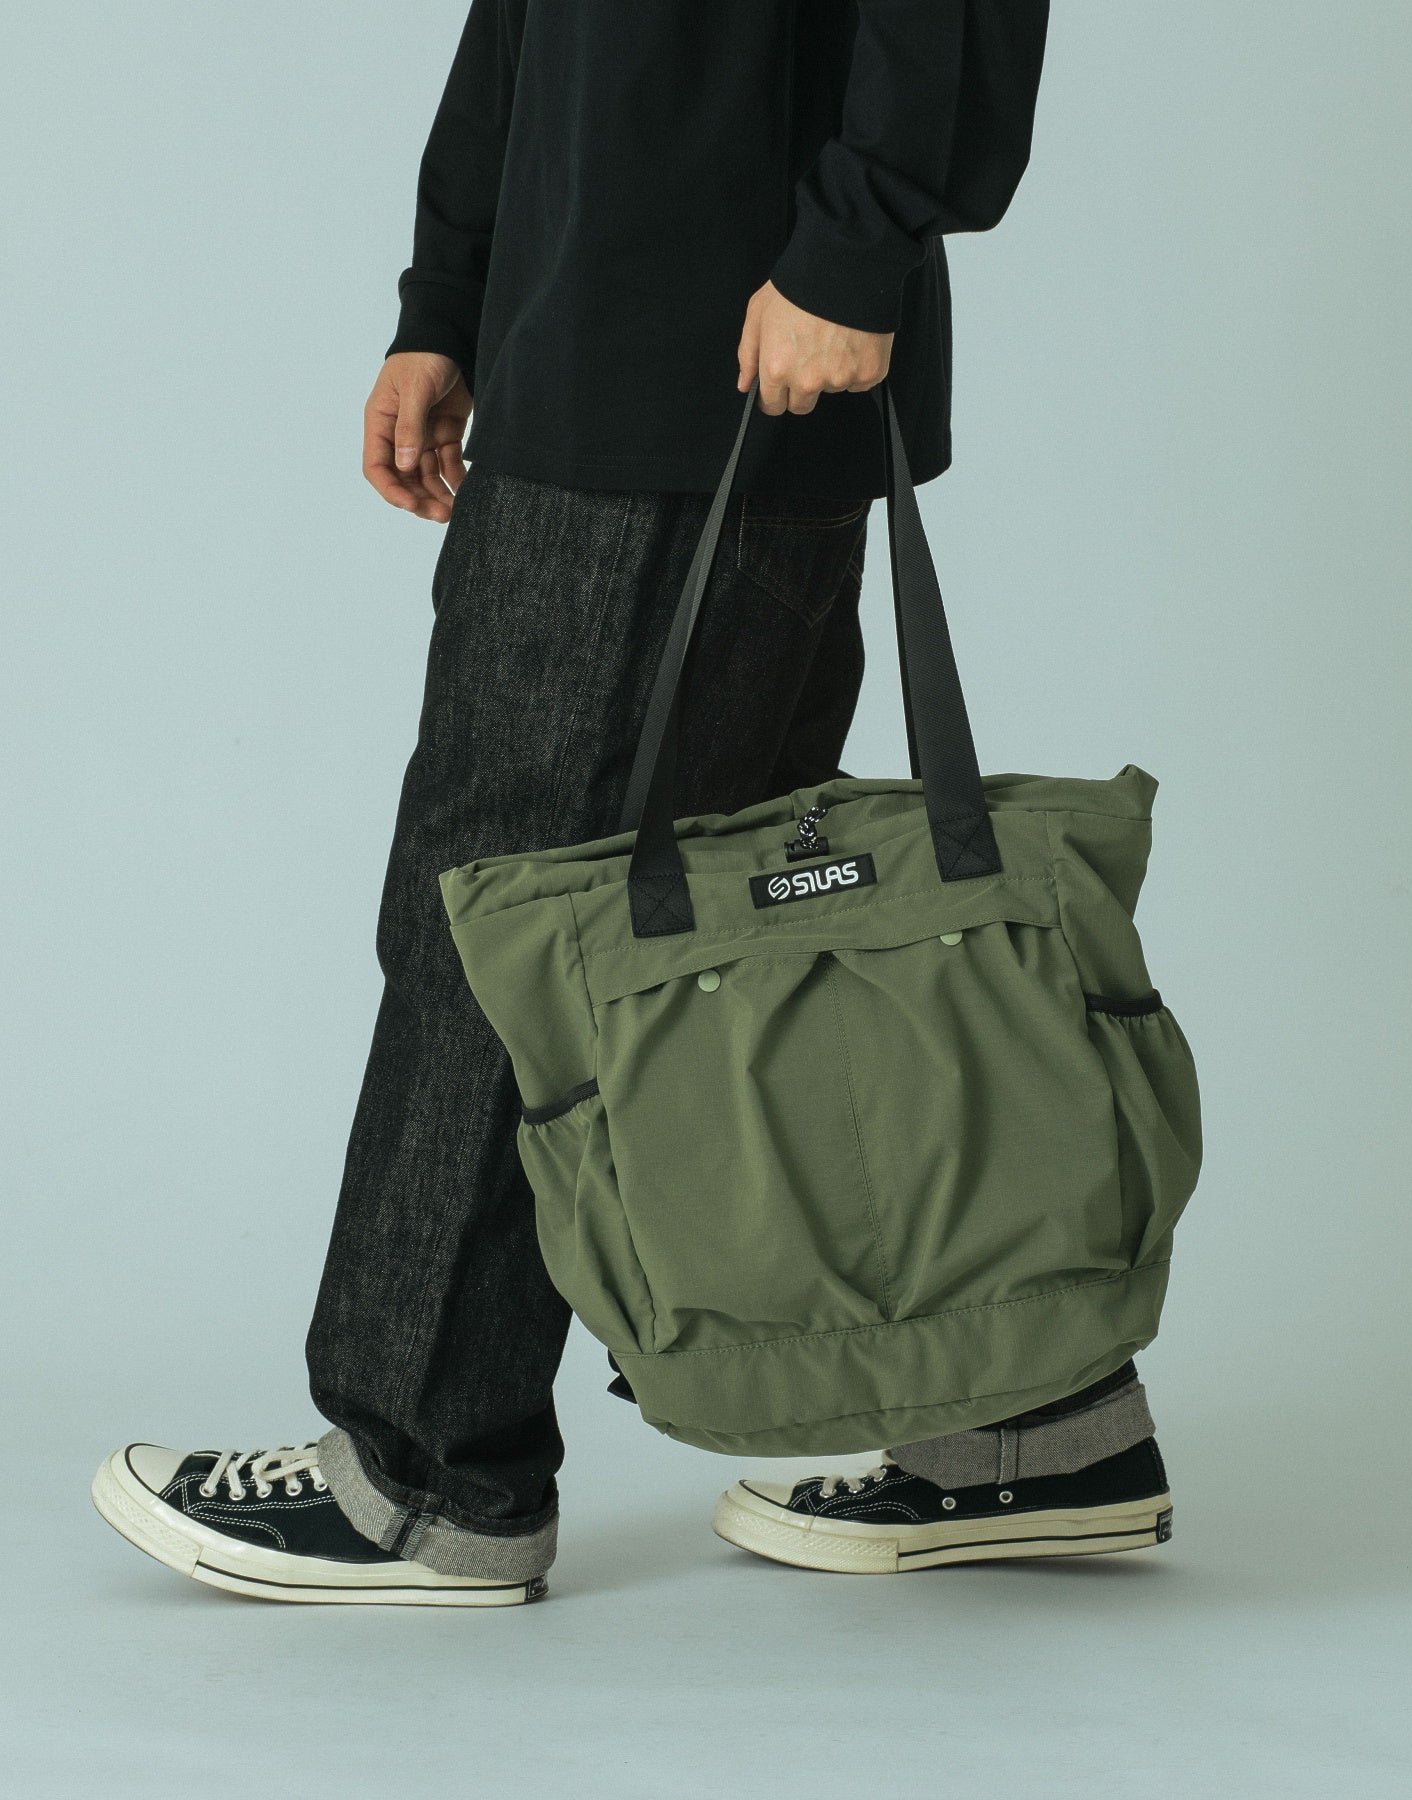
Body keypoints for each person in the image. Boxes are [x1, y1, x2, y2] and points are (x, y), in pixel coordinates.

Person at [92, 0, 1169, 1607]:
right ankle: (1032, 1424)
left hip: (709, 344)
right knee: (755, 951)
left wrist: (857, 239)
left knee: (514, 916)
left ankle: (423, 1480)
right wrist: (450, 295)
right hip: (610, 330)